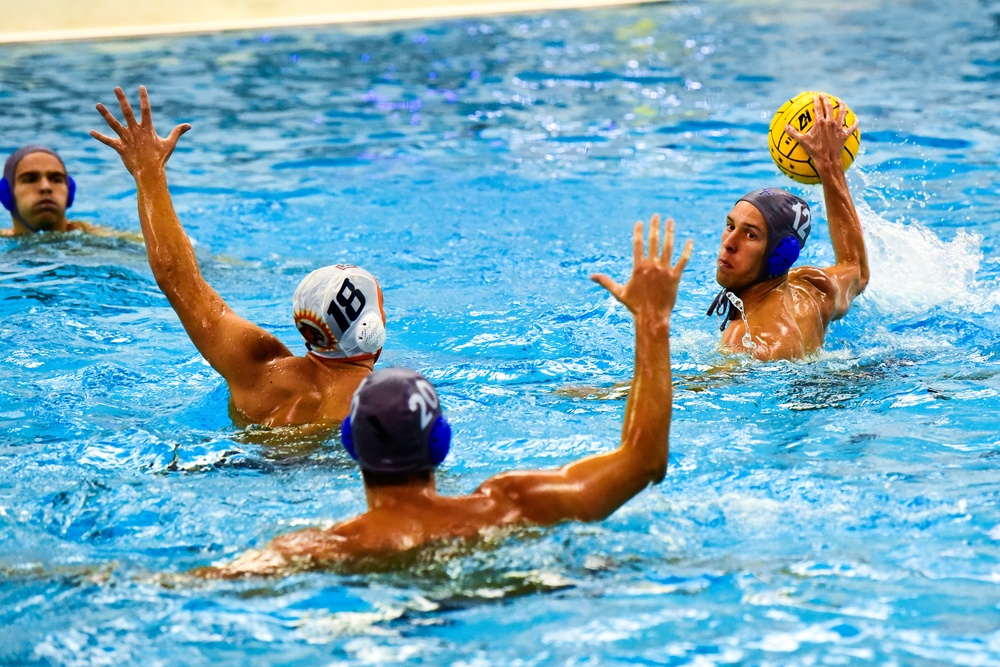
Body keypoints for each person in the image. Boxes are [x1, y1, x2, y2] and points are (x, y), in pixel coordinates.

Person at [194, 215, 692, 578]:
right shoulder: (512, 506)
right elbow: (644, 460)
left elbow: (195, 584)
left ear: (351, 445)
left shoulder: (320, 548)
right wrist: (653, 324)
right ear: (442, 442)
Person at [91, 86, 386, 428]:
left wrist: (149, 173)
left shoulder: (257, 369)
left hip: (241, 462)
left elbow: (177, 280)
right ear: (372, 329)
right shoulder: (387, 404)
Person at [707, 93, 869, 360]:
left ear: (779, 254)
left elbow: (695, 391)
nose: (729, 243)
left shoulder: (747, 339)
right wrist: (830, 166)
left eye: (750, 234)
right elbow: (857, 269)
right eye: (730, 225)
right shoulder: (812, 287)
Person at [1, 145, 98, 236]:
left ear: (69, 192)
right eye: (30, 179)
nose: (45, 187)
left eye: (56, 180)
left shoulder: (97, 238)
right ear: (7, 193)